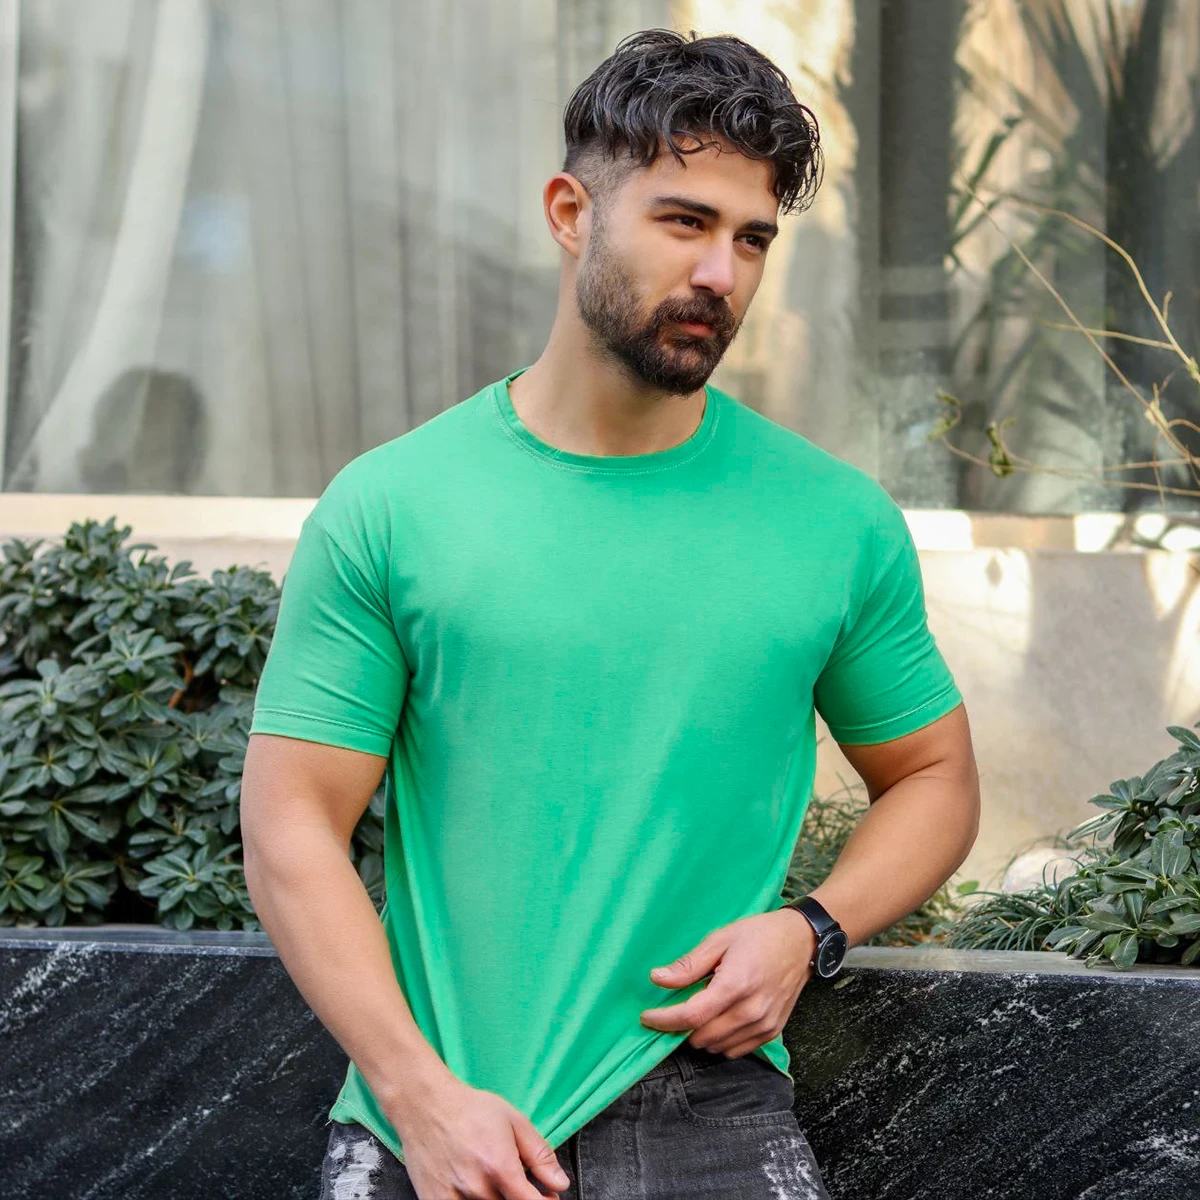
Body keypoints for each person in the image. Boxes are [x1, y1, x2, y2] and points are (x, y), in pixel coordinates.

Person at [240, 27, 981, 1200]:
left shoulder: (834, 523)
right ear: (570, 212)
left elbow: (935, 775)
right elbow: (290, 823)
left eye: (751, 239)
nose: (721, 274)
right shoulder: (391, 506)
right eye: (684, 221)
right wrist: (420, 1099)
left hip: (713, 1104)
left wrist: (814, 930)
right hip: (437, 1107)